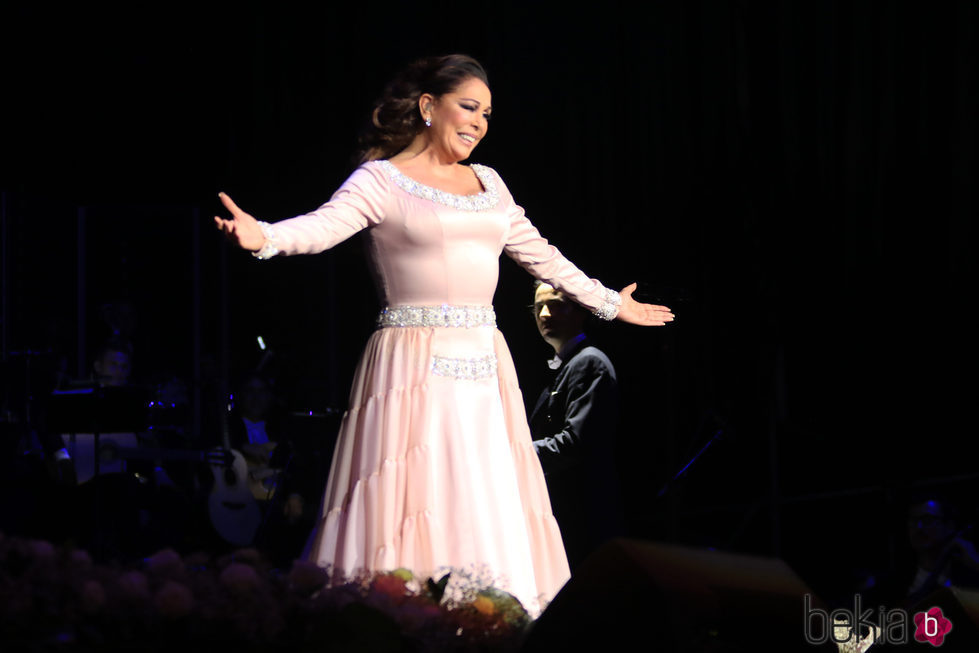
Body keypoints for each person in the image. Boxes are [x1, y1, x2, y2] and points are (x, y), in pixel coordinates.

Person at [214, 54, 674, 615]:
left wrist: (608, 304)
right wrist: (262, 235)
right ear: (429, 107)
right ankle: (402, 619)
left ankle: (501, 620)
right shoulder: (380, 179)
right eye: (468, 107)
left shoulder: (491, 184)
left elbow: (542, 257)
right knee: (413, 498)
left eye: (486, 112)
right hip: (410, 363)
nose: (479, 122)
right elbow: (321, 226)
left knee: (487, 494)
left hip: (486, 364)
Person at [528, 281, 623, 572]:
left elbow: (574, 443)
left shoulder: (589, 362)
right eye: (538, 307)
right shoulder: (569, 364)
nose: (544, 314)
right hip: (568, 512)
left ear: (581, 311)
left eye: (555, 304)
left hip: (582, 516)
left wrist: (515, 454)